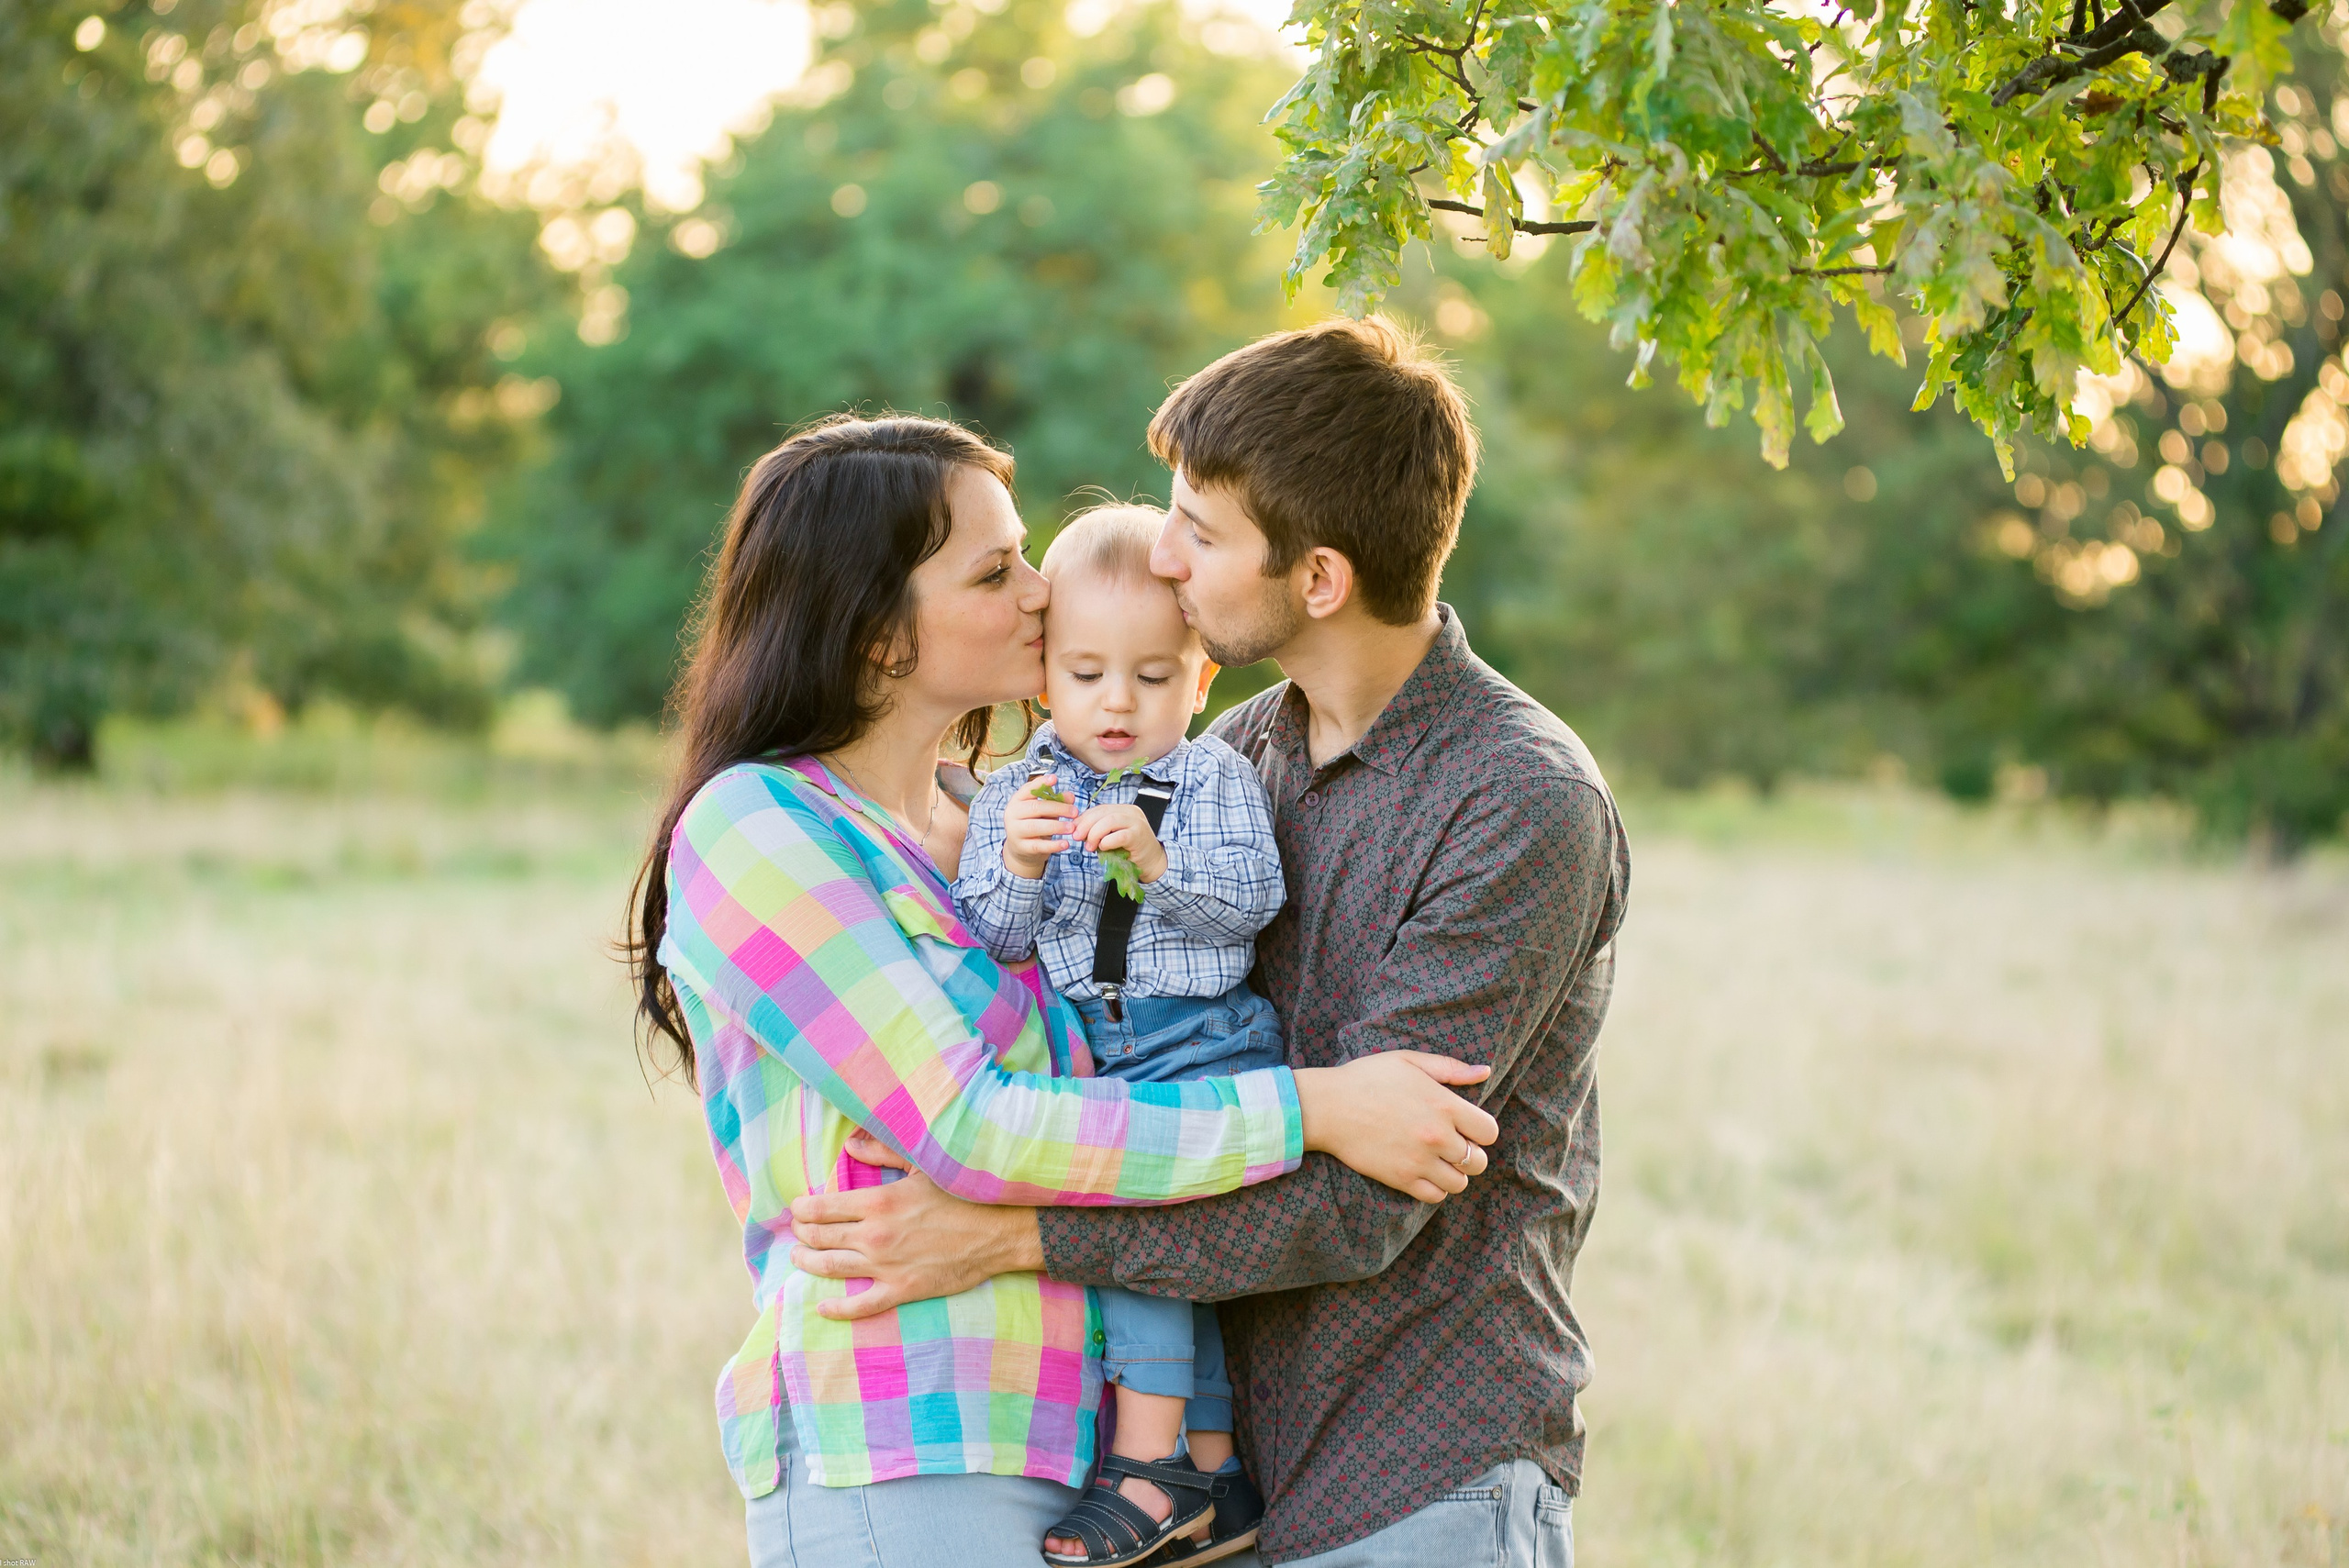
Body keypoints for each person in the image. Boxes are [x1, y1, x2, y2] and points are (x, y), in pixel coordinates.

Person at [785, 321, 1633, 1567]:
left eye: (1200, 528)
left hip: (1421, 1469)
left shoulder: (1515, 798)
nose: (1164, 556)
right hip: (1227, 1486)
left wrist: (1014, 1234)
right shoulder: (1232, 755)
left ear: (1320, 578)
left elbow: (1365, 1197)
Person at [625, 413, 1506, 1568]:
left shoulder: (989, 822)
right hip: (910, 1434)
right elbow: (971, 1123)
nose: (1044, 592)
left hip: (1091, 1455)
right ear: (880, 632)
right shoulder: (760, 827)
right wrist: (1315, 1106)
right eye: (997, 570)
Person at [952, 505, 1287, 1564]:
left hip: (1199, 1040)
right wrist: (1015, 864)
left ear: (1200, 681)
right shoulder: (1016, 792)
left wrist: (1157, 863)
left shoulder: (1212, 777)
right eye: (1087, 672)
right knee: (1170, 1262)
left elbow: (1252, 902)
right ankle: (1216, 1470)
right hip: (1095, 1050)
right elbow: (993, 941)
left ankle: (1147, 1468)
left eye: (1151, 676)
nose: (1117, 701)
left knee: (1148, 1247)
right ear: (1043, 674)